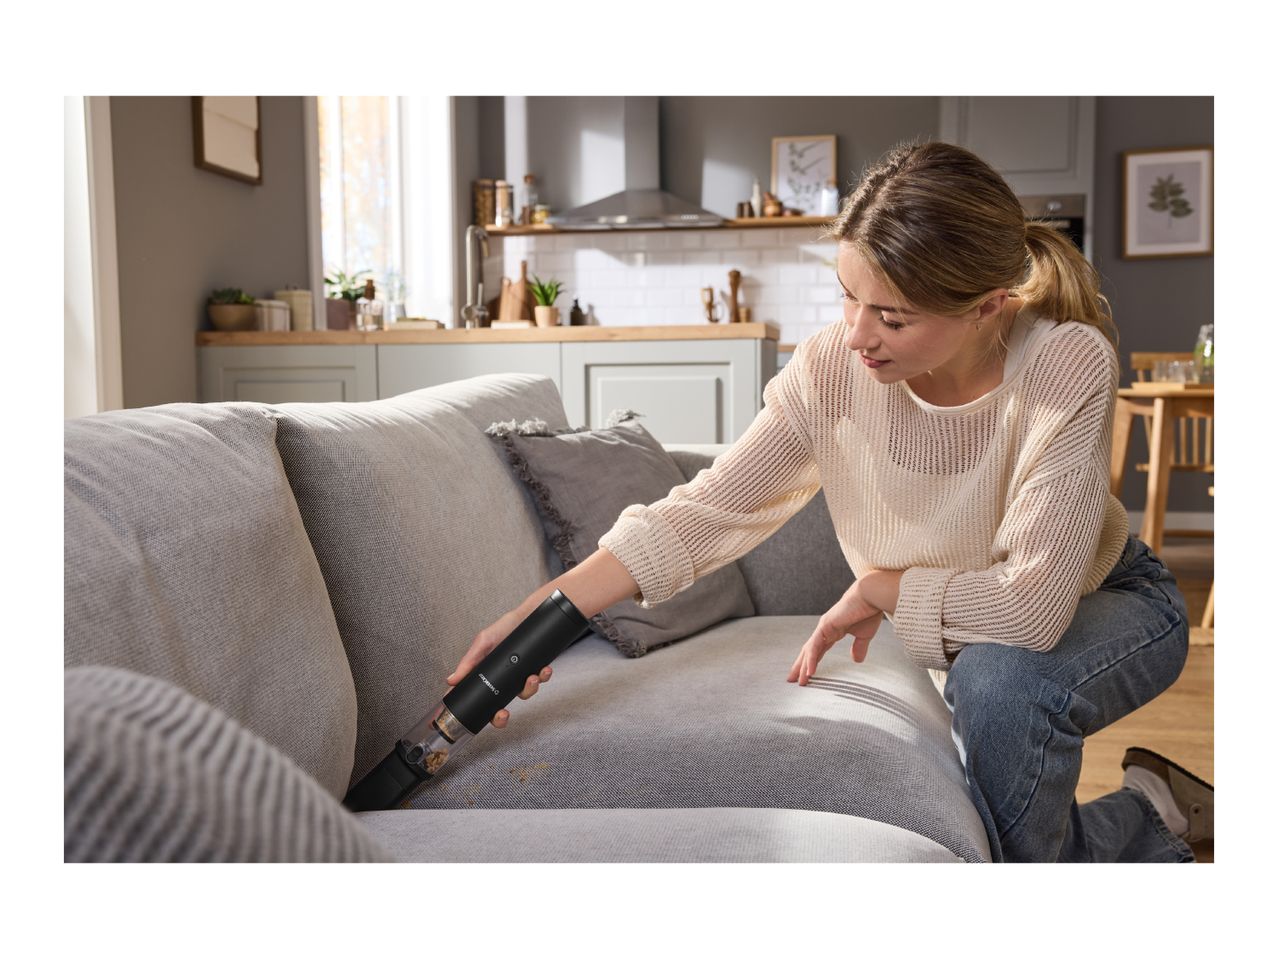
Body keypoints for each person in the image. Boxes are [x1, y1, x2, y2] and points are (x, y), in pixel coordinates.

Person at [446, 140, 1211, 863]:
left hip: (1110, 599)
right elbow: (702, 513)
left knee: (999, 684)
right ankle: (1150, 813)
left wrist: (885, 587)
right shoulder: (830, 372)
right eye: (848, 297)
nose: (856, 335)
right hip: (980, 630)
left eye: (893, 316)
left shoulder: (1064, 360)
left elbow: (1032, 610)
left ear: (987, 306)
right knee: (992, 686)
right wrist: (543, 613)